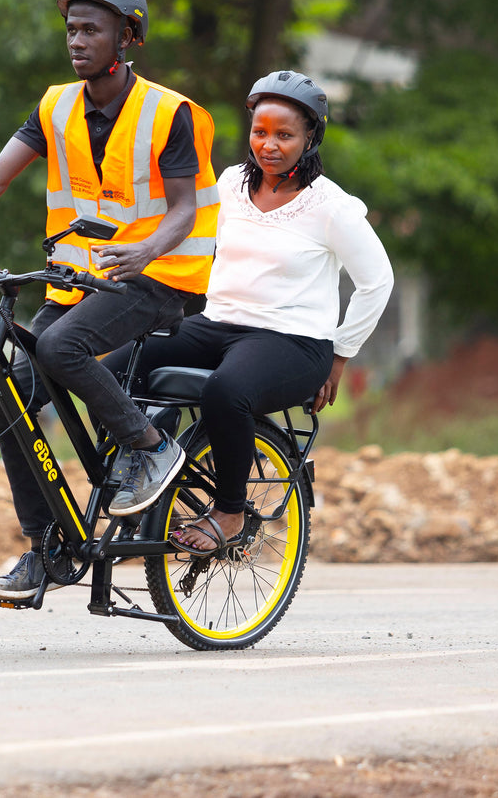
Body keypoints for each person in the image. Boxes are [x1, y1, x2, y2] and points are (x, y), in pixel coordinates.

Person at [0, 0, 219, 600]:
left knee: (60, 348)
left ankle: (148, 449)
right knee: (12, 394)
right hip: (79, 281)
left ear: (126, 37)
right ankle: (46, 548)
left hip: (159, 277)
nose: (77, 40)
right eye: (71, 29)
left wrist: (146, 249)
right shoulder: (55, 105)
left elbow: (185, 208)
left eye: (91, 29)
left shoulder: (172, 113)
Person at [108, 69, 393, 554]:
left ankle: (230, 512)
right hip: (216, 324)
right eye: (261, 132)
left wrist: (341, 355)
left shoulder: (331, 206)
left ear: (310, 138)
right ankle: (153, 461)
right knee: (114, 368)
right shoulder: (231, 184)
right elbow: (194, 244)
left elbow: (377, 281)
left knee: (227, 391)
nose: (269, 145)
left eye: (285, 135)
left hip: (293, 341)